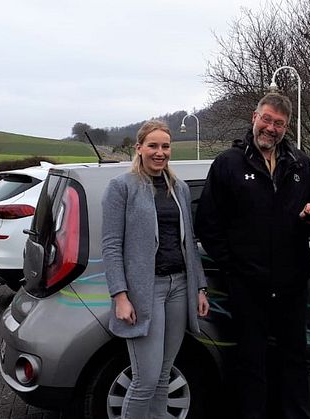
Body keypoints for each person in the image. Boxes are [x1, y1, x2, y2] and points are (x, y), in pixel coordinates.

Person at [195, 92, 310, 419]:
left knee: (295, 360)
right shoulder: (228, 164)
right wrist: (234, 268)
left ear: (286, 128)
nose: (270, 128)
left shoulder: (300, 164)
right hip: (247, 288)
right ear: (254, 118)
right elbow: (208, 225)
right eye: (266, 119)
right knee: (250, 363)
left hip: (292, 285)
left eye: (278, 123)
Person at [101, 120, 209, 418]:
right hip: (144, 292)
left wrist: (199, 287)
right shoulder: (121, 188)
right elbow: (111, 246)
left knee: (163, 376)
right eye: (153, 146)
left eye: (165, 146)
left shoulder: (180, 189)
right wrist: (120, 296)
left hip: (178, 287)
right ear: (139, 148)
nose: (159, 152)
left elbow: (189, 243)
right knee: (145, 379)